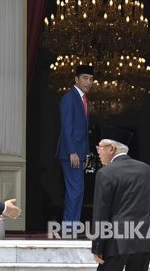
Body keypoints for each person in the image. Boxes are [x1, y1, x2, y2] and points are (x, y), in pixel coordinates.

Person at [91, 125, 150, 271]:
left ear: (112, 148)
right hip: (144, 238)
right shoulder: (146, 169)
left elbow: (101, 213)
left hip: (116, 241)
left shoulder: (105, 173)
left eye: (100, 147)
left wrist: (97, 246)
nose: (98, 152)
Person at [55, 65, 93, 232]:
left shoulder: (84, 99)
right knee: (75, 190)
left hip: (79, 153)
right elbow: (67, 126)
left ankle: (71, 228)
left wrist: (86, 155)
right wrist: (72, 152)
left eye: (91, 79)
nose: (89, 82)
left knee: (77, 190)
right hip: (71, 153)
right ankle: (69, 230)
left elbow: (83, 131)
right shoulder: (70, 98)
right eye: (85, 78)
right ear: (76, 79)